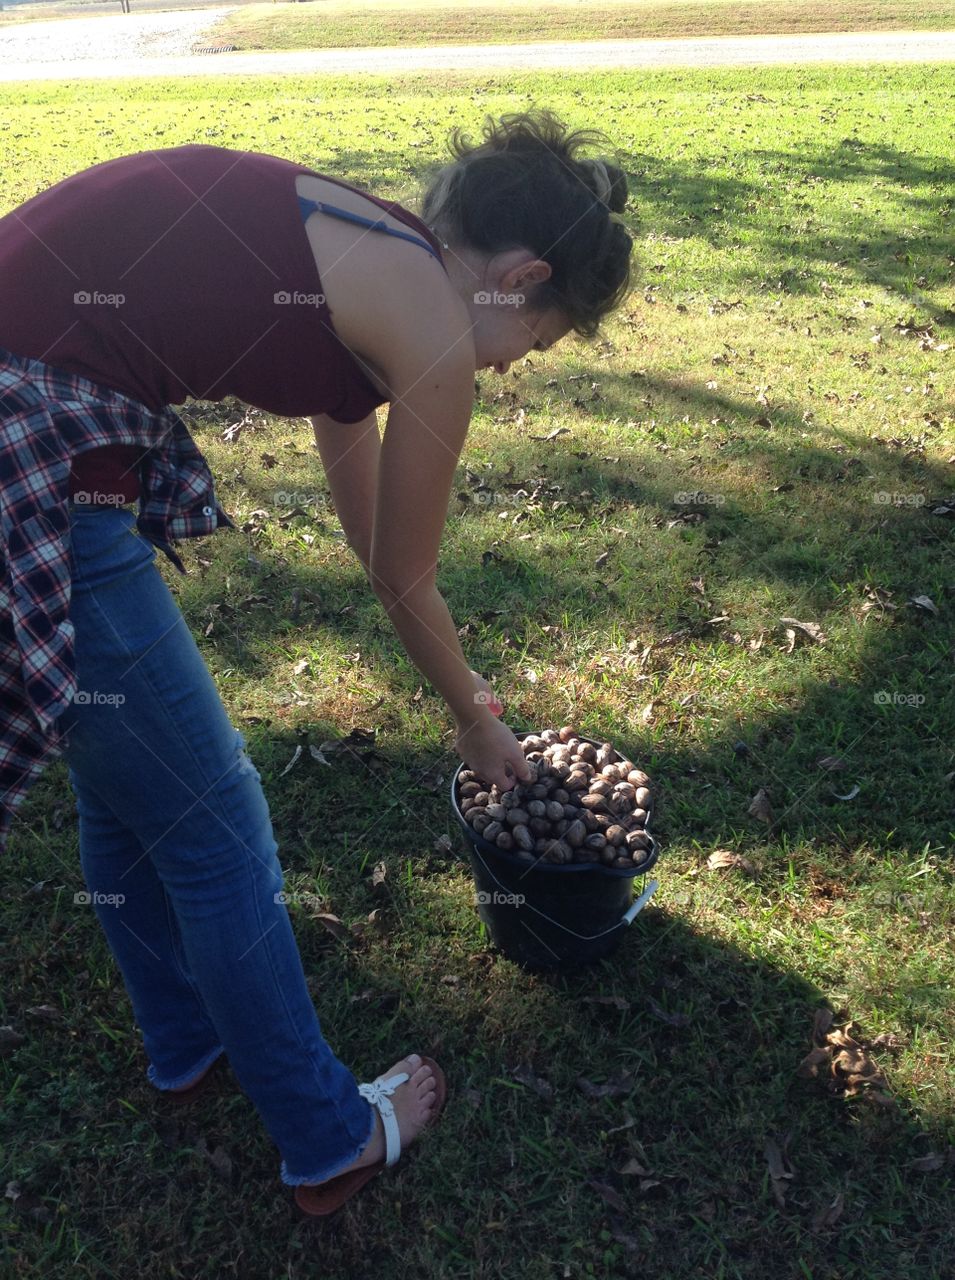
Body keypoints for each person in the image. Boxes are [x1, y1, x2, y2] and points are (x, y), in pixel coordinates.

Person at [0, 108, 633, 1214]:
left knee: (133, 773)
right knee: (215, 820)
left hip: (42, 394)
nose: (515, 363)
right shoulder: (433, 325)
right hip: (35, 434)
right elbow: (406, 577)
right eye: (537, 338)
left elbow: (371, 522)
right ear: (521, 277)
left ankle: (187, 1042)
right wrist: (476, 715)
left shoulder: (373, 251)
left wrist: (423, 633)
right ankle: (328, 1137)